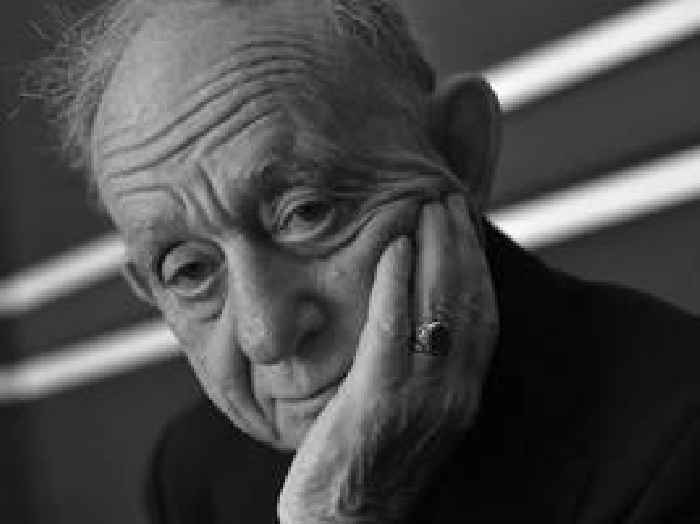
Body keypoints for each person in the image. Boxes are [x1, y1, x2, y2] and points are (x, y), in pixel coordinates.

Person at [37, 0, 700, 522]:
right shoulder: (193, 470)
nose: (267, 335)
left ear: (460, 152)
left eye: (306, 212)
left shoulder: (676, 441)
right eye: (189, 271)